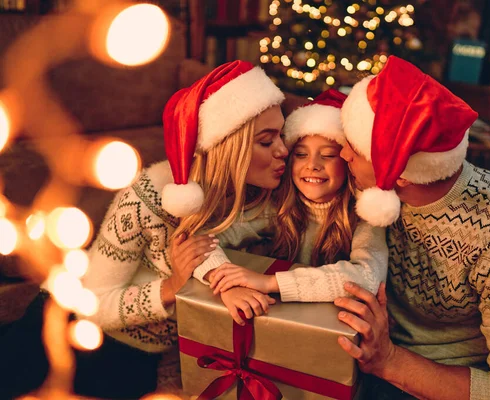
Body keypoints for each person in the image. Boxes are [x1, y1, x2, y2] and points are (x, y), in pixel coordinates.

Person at [0, 60, 288, 399]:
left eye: (282, 135)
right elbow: (95, 304)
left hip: (144, 359)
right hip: (72, 330)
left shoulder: (263, 201)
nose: (284, 150)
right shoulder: (150, 194)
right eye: (267, 142)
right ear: (228, 148)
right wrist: (171, 287)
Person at [333, 56, 490, 400]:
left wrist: (389, 361)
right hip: (364, 345)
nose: (342, 152)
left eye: (355, 147)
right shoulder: (366, 185)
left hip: (442, 378)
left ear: (402, 175)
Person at [193, 89, 388, 324]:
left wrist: (268, 282)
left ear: (347, 162)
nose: (312, 165)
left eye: (327, 155)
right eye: (301, 154)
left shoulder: (364, 215)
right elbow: (202, 239)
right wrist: (226, 282)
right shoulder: (277, 208)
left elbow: (368, 277)